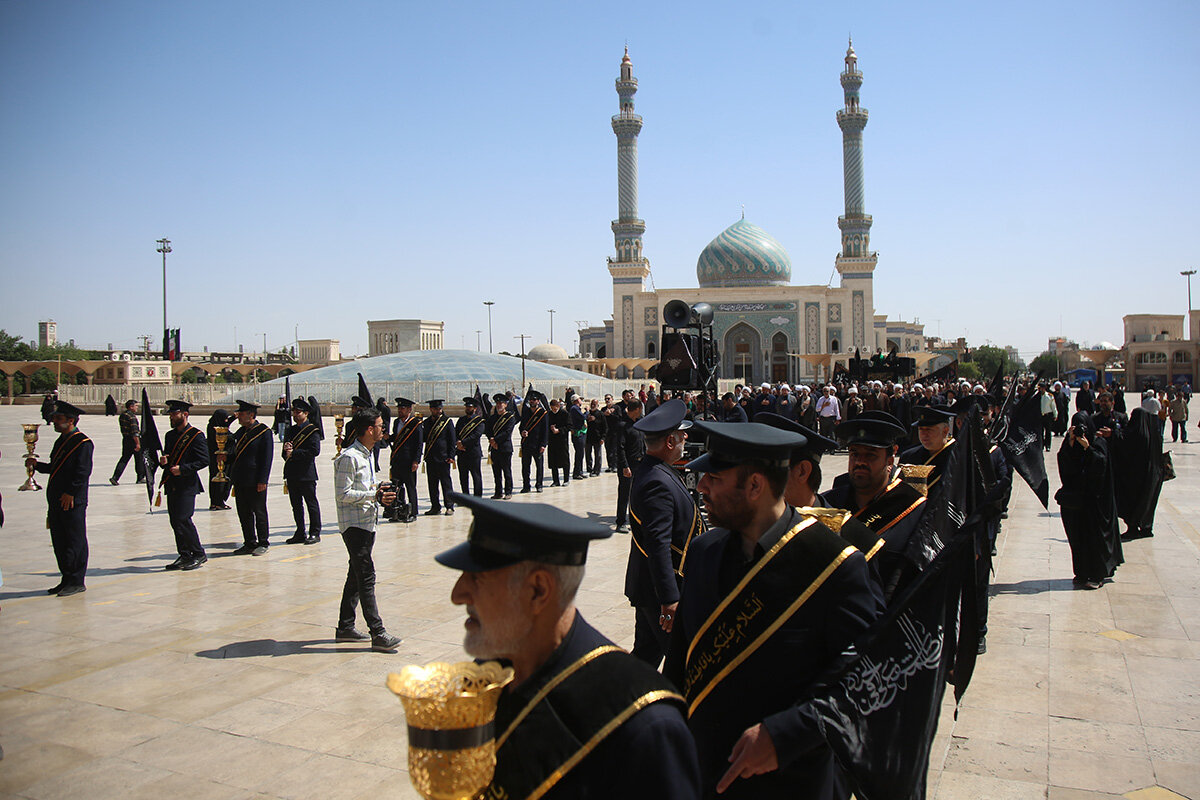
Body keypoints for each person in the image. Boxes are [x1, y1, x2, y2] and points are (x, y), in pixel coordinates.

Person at [666, 422, 884, 798]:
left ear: (755, 486)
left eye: (714, 478)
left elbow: (867, 679)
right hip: (702, 774)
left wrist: (786, 735)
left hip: (788, 780)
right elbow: (679, 661)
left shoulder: (833, 565)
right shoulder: (704, 551)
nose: (701, 487)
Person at [435, 493, 701, 799]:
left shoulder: (641, 725)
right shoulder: (488, 677)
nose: (458, 594)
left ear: (538, 590)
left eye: (477, 579)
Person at [821, 412, 928, 603]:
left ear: (890, 459)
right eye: (854, 454)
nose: (860, 462)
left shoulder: (915, 510)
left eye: (870, 455)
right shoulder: (829, 503)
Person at [625, 399, 701, 667]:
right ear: (670, 441)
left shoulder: (656, 470)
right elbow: (658, 544)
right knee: (685, 662)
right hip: (660, 591)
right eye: (681, 434)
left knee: (645, 657)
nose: (686, 438)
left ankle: (624, 693)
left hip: (650, 586)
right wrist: (669, 598)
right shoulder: (656, 481)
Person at [332, 406, 402, 651]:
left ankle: (345, 626)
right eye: (381, 426)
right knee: (366, 576)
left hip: (366, 522)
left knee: (355, 575)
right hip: (354, 525)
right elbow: (342, 494)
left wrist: (379, 487)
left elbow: (362, 487)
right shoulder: (349, 457)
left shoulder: (367, 455)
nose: (384, 430)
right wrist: (374, 495)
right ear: (370, 429)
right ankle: (377, 632)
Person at [27, 400, 93, 596]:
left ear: (70, 420)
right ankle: (66, 578)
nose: (54, 421)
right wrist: (36, 465)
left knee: (74, 540)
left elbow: (82, 472)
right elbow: (55, 467)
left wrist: (71, 492)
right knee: (60, 541)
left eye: (59, 418)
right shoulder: (61, 441)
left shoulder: (83, 443)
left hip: (72, 500)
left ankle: (77, 580)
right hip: (56, 498)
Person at [1055, 411, 1122, 588]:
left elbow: (1100, 467)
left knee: (1094, 539)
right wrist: (1070, 444)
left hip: (1095, 503)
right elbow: (1064, 466)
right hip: (1076, 502)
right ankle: (1082, 571)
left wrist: (1087, 447)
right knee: (1077, 539)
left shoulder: (1098, 443)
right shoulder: (1070, 443)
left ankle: (1096, 574)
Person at [157, 400, 210, 570]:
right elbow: (169, 456)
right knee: (175, 521)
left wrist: (183, 469)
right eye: (170, 414)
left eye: (174, 414)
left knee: (183, 519)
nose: (171, 417)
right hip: (172, 483)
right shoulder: (170, 436)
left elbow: (204, 460)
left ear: (185, 414)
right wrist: (163, 462)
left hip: (187, 484)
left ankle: (198, 553)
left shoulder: (196, 435)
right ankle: (185, 554)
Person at [227, 400, 273, 555]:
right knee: (244, 512)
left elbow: (266, 458)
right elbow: (234, 452)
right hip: (240, 479)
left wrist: (263, 480)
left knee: (259, 511)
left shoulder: (263, 432)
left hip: (255, 480)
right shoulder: (241, 432)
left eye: (241, 414)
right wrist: (224, 457)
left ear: (251, 415)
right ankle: (249, 542)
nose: (239, 416)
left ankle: (263, 542)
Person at [1114, 407, 1165, 541]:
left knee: (1134, 502)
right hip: (1154, 475)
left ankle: (1132, 529)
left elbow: (1125, 445)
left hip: (1137, 477)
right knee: (1148, 501)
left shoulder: (1137, 434)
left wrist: (1114, 433)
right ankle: (1146, 528)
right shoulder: (1154, 434)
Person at [282, 397, 322, 544]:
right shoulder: (291, 430)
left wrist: (294, 453)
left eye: (298, 412)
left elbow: (314, 451)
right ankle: (300, 532)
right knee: (296, 506)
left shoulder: (312, 430)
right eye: (294, 411)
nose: (295, 414)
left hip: (306, 473)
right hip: (292, 472)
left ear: (306, 413)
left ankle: (315, 532)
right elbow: (284, 453)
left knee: (311, 504)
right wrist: (287, 452)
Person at [899, 405, 957, 500]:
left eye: (929, 429)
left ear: (945, 431)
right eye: (921, 429)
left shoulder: (959, 456)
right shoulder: (908, 457)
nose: (924, 434)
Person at [613, 398, 645, 533]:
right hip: (628, 465)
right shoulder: (623, 425)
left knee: (638, 494)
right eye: (641, 409)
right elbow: (620, 448)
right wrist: (625, 466)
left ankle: (636, 521)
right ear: (637, 409)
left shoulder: (640, 423)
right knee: (624, 494)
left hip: (640, 463)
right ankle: (620, 522)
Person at [422, 399, 457, 515]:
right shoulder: (427, 422)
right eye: (436, 409)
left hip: (443, 458)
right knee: (432, 484)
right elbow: (424, 438)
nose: (438, 411)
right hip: (431, 458)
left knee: (446, 484)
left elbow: (452, 440)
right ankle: (435, 506)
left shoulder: (446, 422)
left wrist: (451, 455)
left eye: (440, 409)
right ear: (431, 409)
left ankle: (449, 506)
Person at [485, 393, 516, 499]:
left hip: (505, 448)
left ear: (505, 405)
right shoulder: (492, 418)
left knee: (506, 471)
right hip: (494, 448)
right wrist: (491, 439)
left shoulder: (510, 417)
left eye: (501, 403)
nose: (499, 405)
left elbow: (507, 432)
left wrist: (495, 440)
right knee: (496, 472)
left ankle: (508, 492)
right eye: (497, 403)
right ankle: (498, 492)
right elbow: (488, 430)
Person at [455, 396, 486, 498]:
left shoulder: (479, 421)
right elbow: (455, 433)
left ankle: (478, 497)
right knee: (463, 477)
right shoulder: (461, 420)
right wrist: (457, 443)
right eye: (467, 407)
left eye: (470, 407)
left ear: (475, 408)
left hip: (473, 452)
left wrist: (462, 443)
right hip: (462, 452)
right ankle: (466, 496)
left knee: (476, 476)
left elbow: (476, 435)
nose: (468, 409)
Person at [109, 398, 145, 485]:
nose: (137, 408)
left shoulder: (123, 415)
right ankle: (140, 477)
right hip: (133, 440)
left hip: (126, 440)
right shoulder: (131, 417)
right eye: (136, 406)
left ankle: (115, 477)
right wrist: (138, 443)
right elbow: (135, 432)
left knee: (124, 459)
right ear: (131, 407)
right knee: (139, 459)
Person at [206, 409, 235, 510]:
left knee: (215, 480)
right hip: (221, 459)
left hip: (215, 459)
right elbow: (225, 433)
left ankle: (215, 502)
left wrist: (233, 418)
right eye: (225, 419)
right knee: (220, 481)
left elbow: (225, 425)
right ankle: (219, 502)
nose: (226, 421)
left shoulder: (212, 426)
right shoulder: (216, 430)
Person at [519, 393, 549, 493]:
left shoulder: (542, 413)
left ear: (538, 401)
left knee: (539, 466)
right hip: (526, 443)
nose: (532, 401)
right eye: (531, 400)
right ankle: (526, 486)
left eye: (534, 400)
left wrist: (543, 444)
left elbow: (545, 430)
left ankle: (539, 485)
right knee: (525, 466)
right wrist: (522, 432)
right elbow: (521, 426)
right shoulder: (526, 412)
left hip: (538, 444)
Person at [546, 397, 571, 486]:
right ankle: (556, 481)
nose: (554, 410)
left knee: (564, 460)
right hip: (552, 441)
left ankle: (566, 479)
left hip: (562, 441)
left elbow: (569, 426)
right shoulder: (549, 414)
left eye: (555, 408)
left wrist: (559, 430)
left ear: (558, 406)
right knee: (553, 461)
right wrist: (551, 429)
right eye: (552, 409)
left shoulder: (564, 413)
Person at [585, 397, 607, 476]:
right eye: (592, 404)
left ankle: (597, 470)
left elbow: (605, 427)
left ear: (597, 405)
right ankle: (589, 469)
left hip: (597, 437)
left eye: (594, 404)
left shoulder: (600, 414)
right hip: (588, 437)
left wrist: (603, 438)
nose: (593, 405)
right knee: (588, 454)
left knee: (598, 455)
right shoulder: (587, 413)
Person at [569, 394, 589, 480]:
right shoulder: (574, 409)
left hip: (581, 433)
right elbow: (583, 417)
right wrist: (587, 411)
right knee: (579, 453)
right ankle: (576, 473)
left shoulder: (577, 409)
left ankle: (580, 471)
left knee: (581, 454)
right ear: (577, 400)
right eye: (580, 399)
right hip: (578, 434)